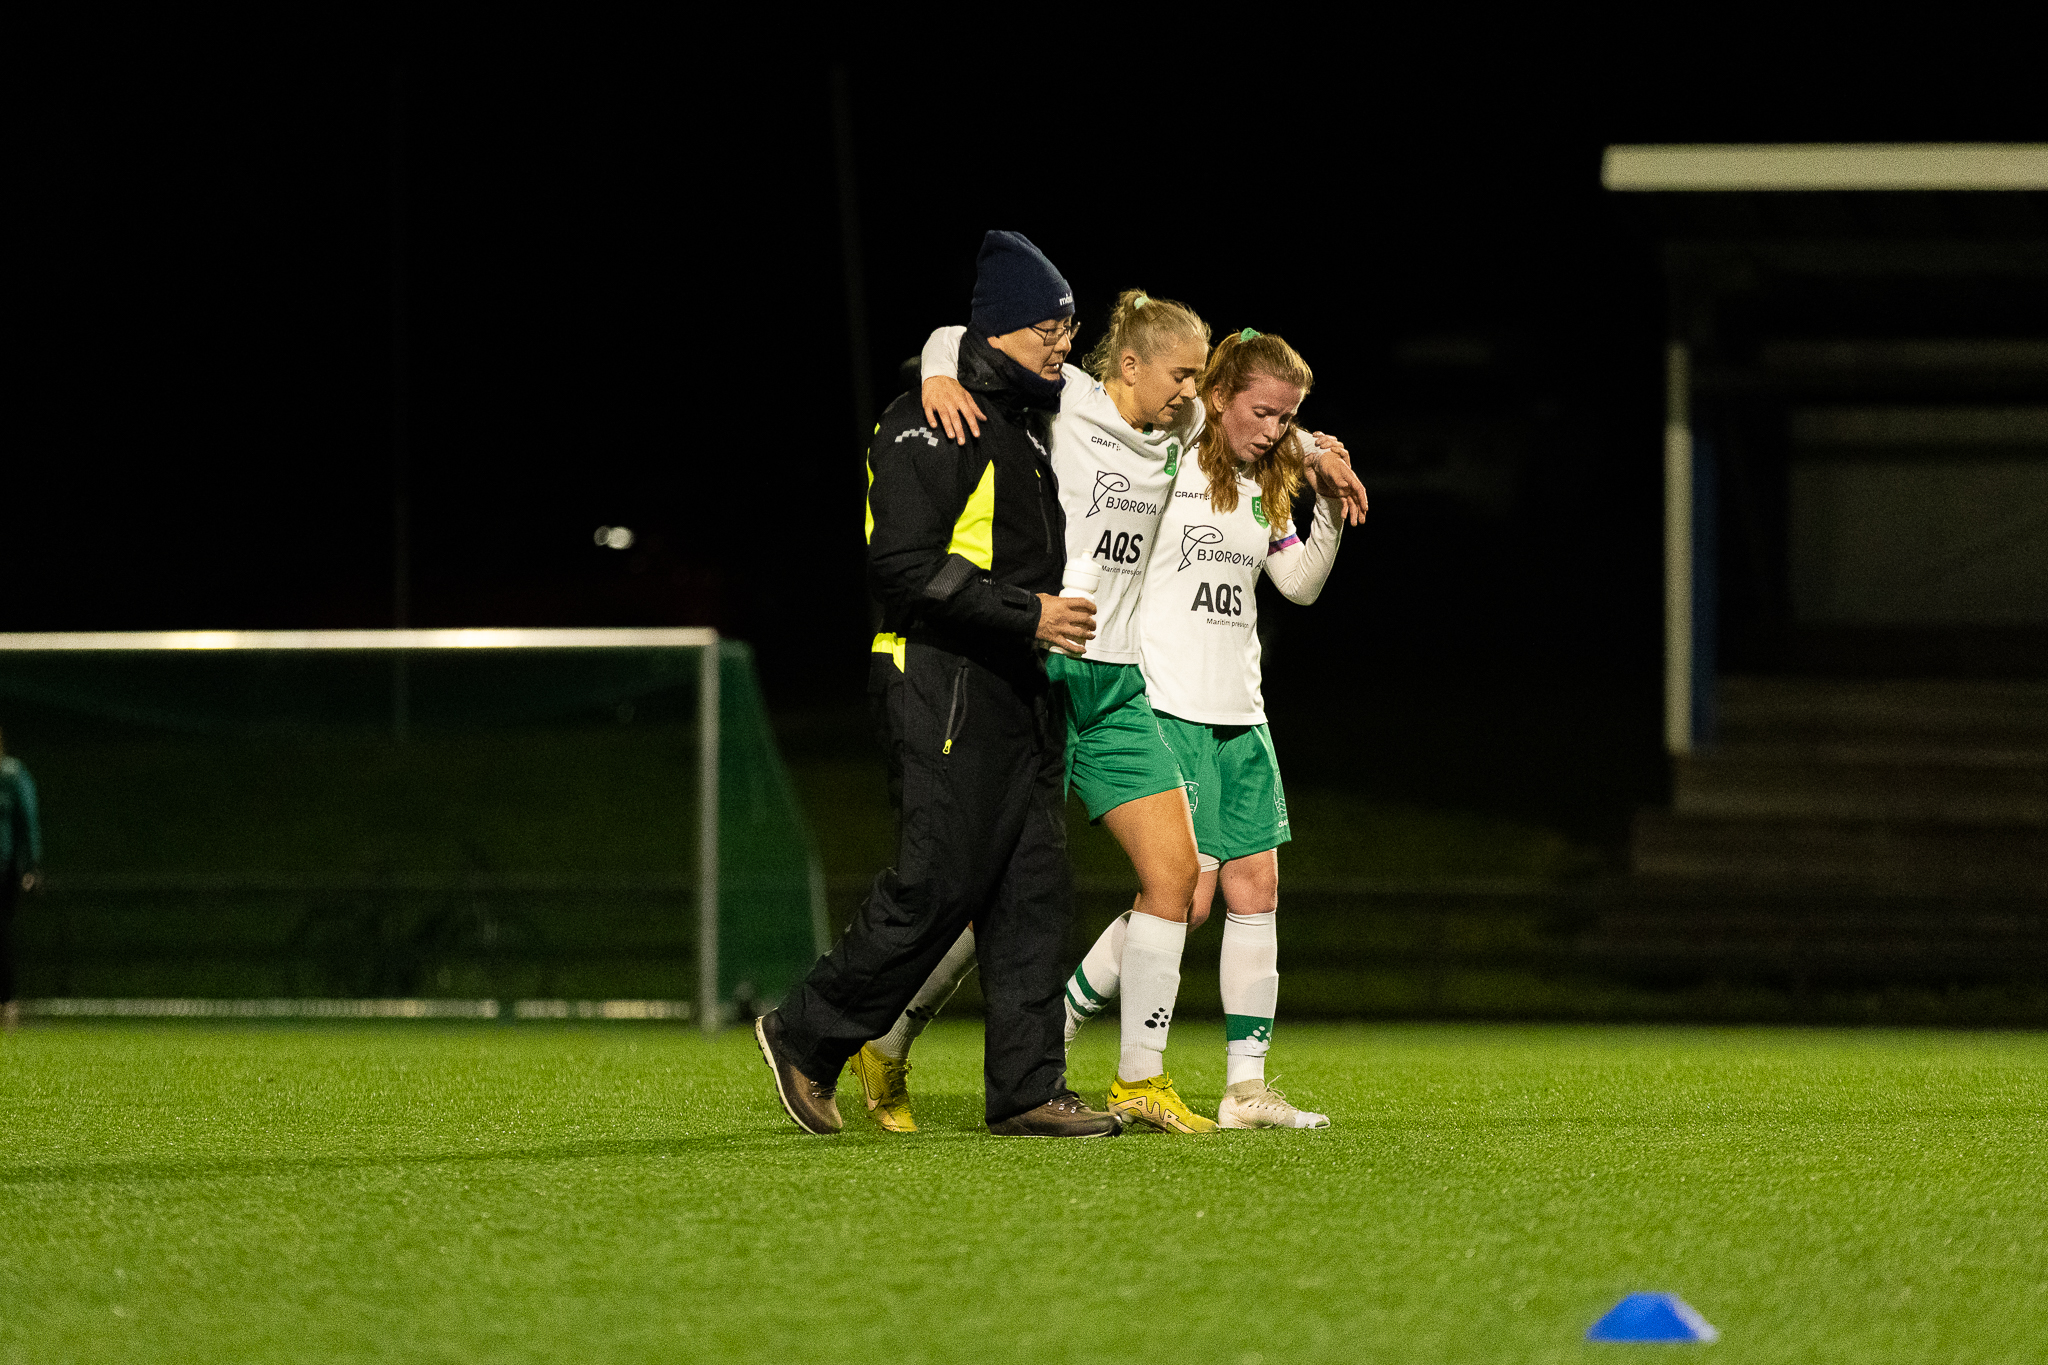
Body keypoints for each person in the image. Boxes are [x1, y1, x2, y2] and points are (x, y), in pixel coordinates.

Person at [752, 230, 1120, 1139]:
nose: (1063, 341)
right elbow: (902, 567)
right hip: (941, 677)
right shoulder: (929, 418)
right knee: (937, 881)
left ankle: (1029, 1088)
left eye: (1069, 324)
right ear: (997, 329)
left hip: (1017, 686)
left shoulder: (1019, 421)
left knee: (1030, 888)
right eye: (1048, 326)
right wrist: (1027, 614)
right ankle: (804, 1033)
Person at [856, 290, 1220, 1135]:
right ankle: (888, 1035)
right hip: (1043, 670)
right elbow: (953, 332)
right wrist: (942, 375)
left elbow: (1242, 407)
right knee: (990, 889)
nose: (1190, 392)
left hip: (1120, 684)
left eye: (1197, 378)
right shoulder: (1070, 403)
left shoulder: (1182, 424)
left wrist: (1309, 450)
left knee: (1179, 880)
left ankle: (1140, 1081)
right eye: (1179, 374)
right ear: (1128, 366)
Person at [1065, 328, 1366, 1128]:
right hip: (1168, 705)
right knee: (1185, 900)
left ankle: (1245, 1087)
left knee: (1255, 887)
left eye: (1287, 418)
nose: (1272, 429)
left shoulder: (1263, 486)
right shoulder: (1176, 452)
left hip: (1242, 711)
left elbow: (1296, 584)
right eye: (1262, 411)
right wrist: (1312, 447)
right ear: (1222, 395)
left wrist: (1327, 508)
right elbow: (1192, 405)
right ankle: (1063, 1014)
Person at [0, 725, 43, 1033]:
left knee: (1, 935)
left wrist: (32, 865)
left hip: (3, 871)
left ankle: (8, 1005)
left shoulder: (12, 775)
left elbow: (29, 819)